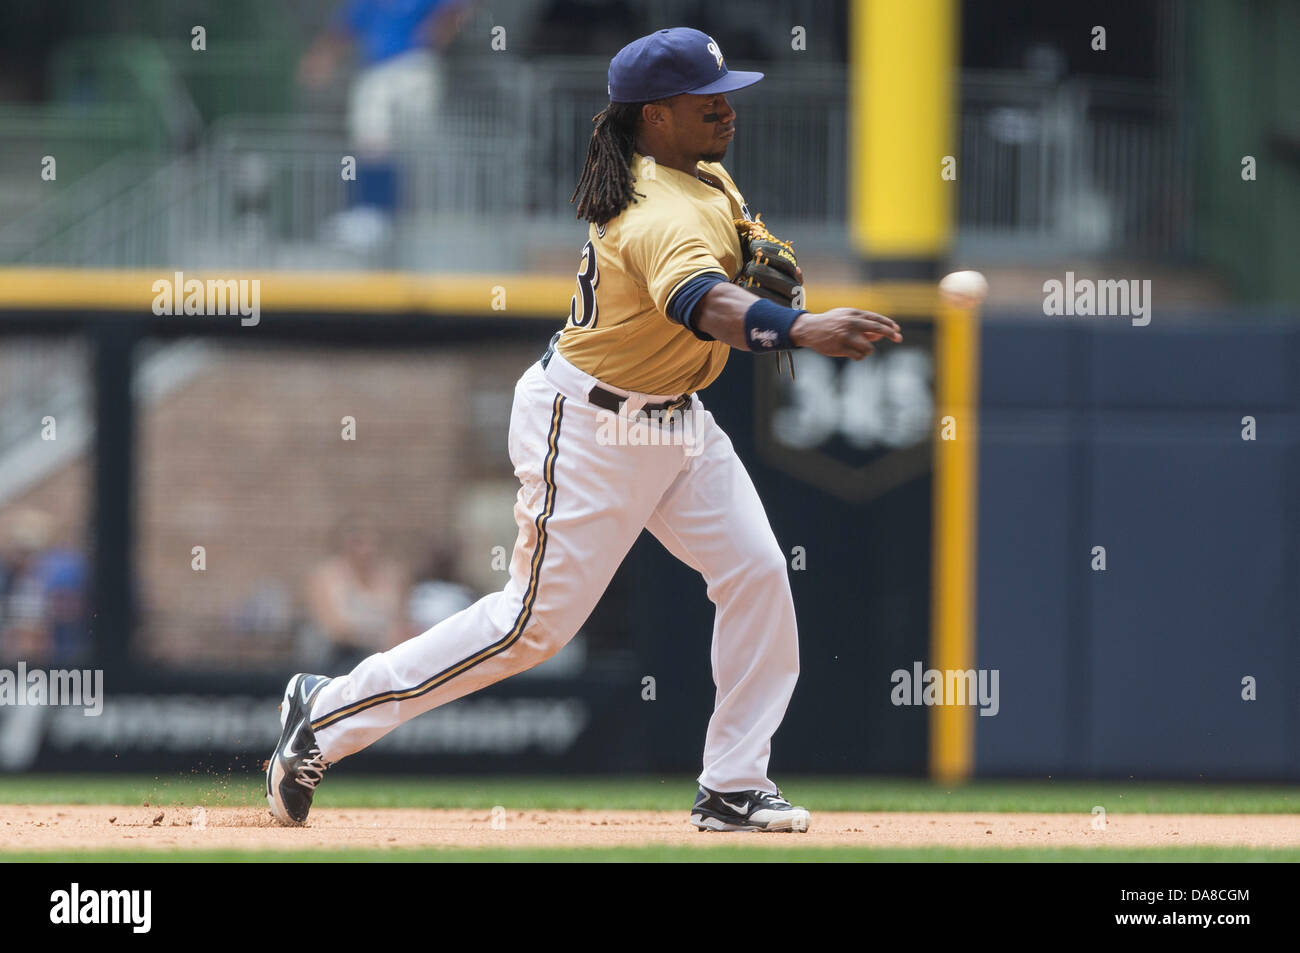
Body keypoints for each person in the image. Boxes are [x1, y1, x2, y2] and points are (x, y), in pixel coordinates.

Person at [267, 27, 901, 832]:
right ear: (655, 115)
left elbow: (732, 263)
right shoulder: (652, 207)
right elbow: (705, 305)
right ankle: (324, 713)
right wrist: (798, 327)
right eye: (706, 97)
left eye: (725, 91)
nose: (726, 107)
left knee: (758, 574)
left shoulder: (701, 175)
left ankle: (735, 783)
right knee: (528, 628)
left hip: (678, 421)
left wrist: (758, 261)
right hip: (593, 426)